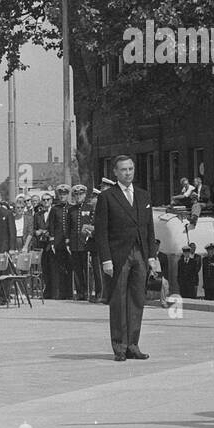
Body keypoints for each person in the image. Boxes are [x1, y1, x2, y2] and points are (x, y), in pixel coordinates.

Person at [94, 154, 160, 361]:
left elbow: (149, 229)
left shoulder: (143, 195)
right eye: (123, 170)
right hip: (118, 255)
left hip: (140, 253)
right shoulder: (107, 197)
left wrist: (151, 256)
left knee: (137, 300)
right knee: (119, 300)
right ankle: (120, 346)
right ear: (115, 172)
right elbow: (101, 232)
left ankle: (133, 344)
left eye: (130, 169)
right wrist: (106, 259)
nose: (128, 173)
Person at [47, 185, 74, 300]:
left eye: (65, 194)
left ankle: (69, 293)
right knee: (57, 268)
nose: (63, 196)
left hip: (69, 242)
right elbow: (51, 225)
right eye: (61, 194)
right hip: (58, 242)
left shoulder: (72, 208)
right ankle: (58, 293)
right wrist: (52, 241)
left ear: (68, 195)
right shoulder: (55, 209)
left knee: (69, 267)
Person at [69, 185, 91, 301]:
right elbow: (69, 227)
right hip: (74, 243)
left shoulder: (89, 208)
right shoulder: (71, 210)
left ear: (85, 195)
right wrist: (68, 241)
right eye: (76, 195)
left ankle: (87, 291)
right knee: (77, 269)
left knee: (86, 268)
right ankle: (80, 292)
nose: (78, 197)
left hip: (85, 243)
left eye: (80, 194)